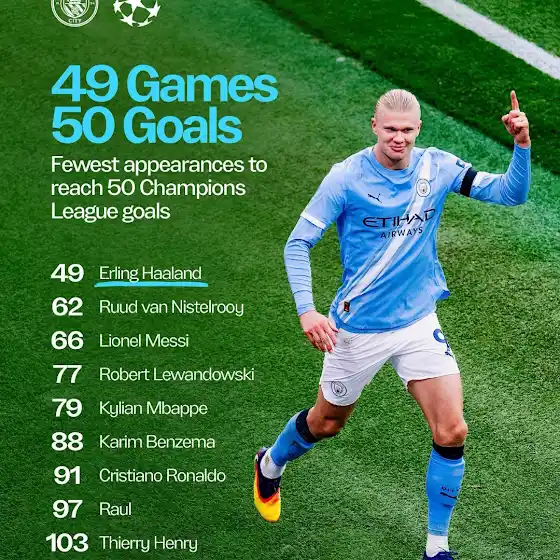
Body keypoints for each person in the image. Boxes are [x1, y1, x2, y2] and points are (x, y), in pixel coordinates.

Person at [253, 89, 531, 559]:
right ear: (374, 126)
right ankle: (270, 462)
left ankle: (436, 548)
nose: (398, 138)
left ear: (418, 128)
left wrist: (521, 145)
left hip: (418, 322)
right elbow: (297, 243)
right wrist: (307, 310)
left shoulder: (437, 166)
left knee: (452, 430)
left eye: (407, 130)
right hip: (358, 328)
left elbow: (510, 193)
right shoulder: (346, 177)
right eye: (390, 130)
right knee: (326, 423)